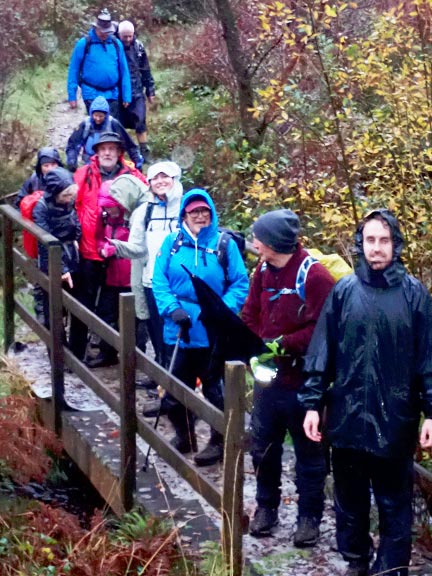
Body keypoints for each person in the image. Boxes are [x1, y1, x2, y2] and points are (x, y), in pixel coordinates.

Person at [299, 209, 432, 576]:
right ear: (361, 243)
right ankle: (356, 561)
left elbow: (428, 359)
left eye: (384, 240)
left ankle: (390, 570)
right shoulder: (344, 292)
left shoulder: (415, 295)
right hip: (347, 419)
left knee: (394, 504)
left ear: (396, 245)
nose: (377, 248)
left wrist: (431, 413)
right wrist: (312, 403)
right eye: (370, 240)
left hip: (395, 422)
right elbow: (321, 351)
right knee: (350, 503)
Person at [241, 209, 334, 543]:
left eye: (258, 237)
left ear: (273, 243)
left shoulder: (315, 277)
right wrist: (253, 347)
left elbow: (324, 330)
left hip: (305, 382)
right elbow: (250, 313)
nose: (253, 242)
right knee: (263, 447)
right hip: (269, 380)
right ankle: (266, 508)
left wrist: (281, 344)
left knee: (310, 455)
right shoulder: (263, 271)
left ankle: (309, 518)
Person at [152, 189, 249, 466]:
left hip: (211, 332)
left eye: (204, 211)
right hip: (178, 328)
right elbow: (159, 280)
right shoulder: (171, 243)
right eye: (194, 212)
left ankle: (219, 441)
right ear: (184, 214)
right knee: (172, 390)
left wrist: (218, 310)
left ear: (212, 213)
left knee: (214, 389)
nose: (200, 216)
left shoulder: (224, 245)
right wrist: (172, 309)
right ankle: (185, 435)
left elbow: (240, 284)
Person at [69, 131, 147, 362]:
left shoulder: (132, 175)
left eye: (112, 149)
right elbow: (70, 204)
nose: (107, 153)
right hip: (90, 249)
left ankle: (117, 352)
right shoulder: (84, 174)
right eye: (102, 148)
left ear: (119, 152)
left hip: (122, 251)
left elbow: (146, 201)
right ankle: (77, 353)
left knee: (119, 303)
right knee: (85, 302)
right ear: (95, 152)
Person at [108, 161, 183, 370]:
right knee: (157, 332)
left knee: (180, 334)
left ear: (174, 179)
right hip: (152, 282)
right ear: (149, 183)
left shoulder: (187, 208)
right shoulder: (143, 212)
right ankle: (161, 375)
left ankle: (179, 382)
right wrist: (114, 246)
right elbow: (138, 248)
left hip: (181, 283)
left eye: (164, 177)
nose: (160, 182)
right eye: (155, 178)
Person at [85, 180, 132, 368]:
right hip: (111, 276)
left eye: (113, 207)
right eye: (106, 207)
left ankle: (134, 359)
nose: (110, 210)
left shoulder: (133, 219)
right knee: (106, 314)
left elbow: (139, 246)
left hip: (129, 278)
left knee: (132, 322)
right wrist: (103, 247)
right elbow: (96, 238)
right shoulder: (104, 219)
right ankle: (107, 353)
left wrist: (116, 249)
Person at [32, 167, 81, 329]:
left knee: (78, 306)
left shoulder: (69, 202)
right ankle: (56, 350)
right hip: (51, 263)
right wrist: (62, 269)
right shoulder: (42, 208)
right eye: (65, 195)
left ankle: (74, 351)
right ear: (54, 191)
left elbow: (75, 220)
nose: (69, 199)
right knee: (53, 309)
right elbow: (45, 242)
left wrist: (76, 237)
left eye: (71, 195)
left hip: (72, 255)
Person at [67, 8, 131, 119]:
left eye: (107, 31)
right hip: (91, 92)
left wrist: (126, 95)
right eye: (101, 31)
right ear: (95, 28)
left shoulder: (116, 44)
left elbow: (124, 71)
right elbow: (74, 70)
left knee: (110, 127)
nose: (104, 34)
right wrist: (72, 96)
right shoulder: (84, 44)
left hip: (112, 93)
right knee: (97, 124)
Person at [66, 96, 143, 171]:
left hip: (110, 163)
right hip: (89, 163)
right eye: (95, 115)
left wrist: (137, 162)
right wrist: (72, 161)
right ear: (91, 113)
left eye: (101, 116)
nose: (98, 119)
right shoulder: (85, 124)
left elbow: (129, 145)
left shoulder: (113, 124)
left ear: (106, 115)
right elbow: (73, 145)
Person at [117, 20, 156, 161]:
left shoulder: (139, 47)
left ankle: (144, 151)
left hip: (137, 90)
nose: (128, 39)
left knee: (140, 121)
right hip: (118, 92)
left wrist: (150, 90)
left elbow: (146, 70)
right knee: (118, 124)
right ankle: (119, 154)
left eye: (130, 36)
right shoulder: (114, 46)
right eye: (124, 36)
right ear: (119, 35)